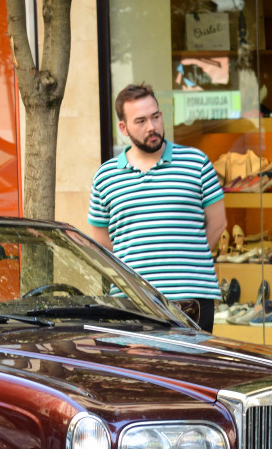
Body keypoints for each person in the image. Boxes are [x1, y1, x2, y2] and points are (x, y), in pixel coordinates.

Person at [88, 83, 227, 331]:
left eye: (155, 117)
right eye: (140, 121)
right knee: (139, 371)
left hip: (192, 299)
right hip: (132, 302)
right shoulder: (106, 176)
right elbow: (101, 242)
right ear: (124, 128)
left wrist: (187, 261)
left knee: (191, 370)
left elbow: (217, 224)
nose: (151, 127)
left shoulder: (196, 163)